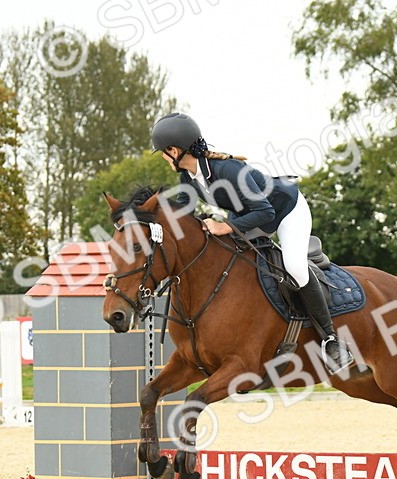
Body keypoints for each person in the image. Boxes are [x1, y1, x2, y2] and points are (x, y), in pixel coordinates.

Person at [150, 112, 353, 373]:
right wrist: (150, 213)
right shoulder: (188, 177)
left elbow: (267, 212)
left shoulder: (228, 170)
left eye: (164, 154)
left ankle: (330, 340)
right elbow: (183, 209)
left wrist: (225, 226)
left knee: (294, 267)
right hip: (248, 215)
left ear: (174, 150)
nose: (164, 159)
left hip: (286, 210)